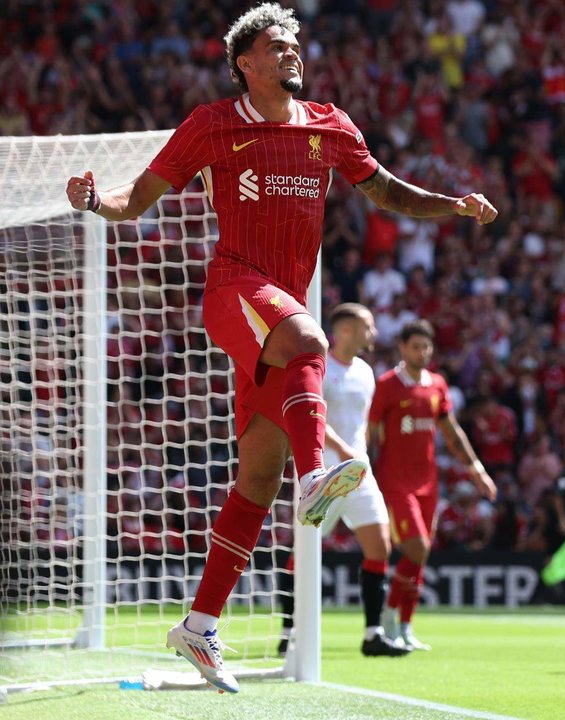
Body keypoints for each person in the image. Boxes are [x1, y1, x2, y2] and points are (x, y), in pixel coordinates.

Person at [64, 3, 497, 693]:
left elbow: (386, 190)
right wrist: (94, 201)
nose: (293, 51)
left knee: (254, 480)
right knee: (310, 337)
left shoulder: (330, 125)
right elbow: (136, 198)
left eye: (296, 42)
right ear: (246, 62)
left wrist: (452, 204)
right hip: (235, 289)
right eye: (277, 44)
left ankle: (199, 626)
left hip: (277, 314)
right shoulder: (211, 125)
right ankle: (314, 476)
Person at [277, 304, 409, 658]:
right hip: (322, 470)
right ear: (346, 330)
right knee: (301, 554)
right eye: (368, 326)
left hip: (359, 471)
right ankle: (289, 631)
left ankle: (372, 633)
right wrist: (344, 450)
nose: (374, 333)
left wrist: (359, 453)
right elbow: (314, 417)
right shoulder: (320, 367)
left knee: (380, 545)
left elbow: (361, 424)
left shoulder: (366, 371)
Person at [369, 319, 497, 651]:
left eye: (427, 347)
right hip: (395, 482)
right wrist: (362, 473)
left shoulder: (437, 384)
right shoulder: (386, 385)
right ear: (402, 347)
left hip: (428, 483)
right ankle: (387, 616)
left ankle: (405, 627)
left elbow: (452, 432)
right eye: (416, 346)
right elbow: (368, 435)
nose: (422, 352)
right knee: (417, 548)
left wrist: (476, 469)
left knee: (419, 556)